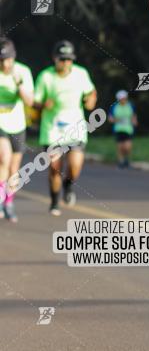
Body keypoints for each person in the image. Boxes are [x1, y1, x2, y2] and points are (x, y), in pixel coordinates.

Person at [33, 41, 97, 215]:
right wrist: (43, 104)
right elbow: (35, 102)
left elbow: (91, 92)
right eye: (62, 59)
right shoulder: (45, 76)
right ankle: (54, 202)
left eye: (69, 59)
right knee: (55, 168)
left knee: (75, 166)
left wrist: (91, 101)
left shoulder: (80, 73)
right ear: (55, 59)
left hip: (75, 128)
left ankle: (68, 186)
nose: (66, 63)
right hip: (52, 130)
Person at [0, 38, 34, 222]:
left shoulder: (23, 71)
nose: (6, 64)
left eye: (9, 59)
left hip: (17, 124)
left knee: (14, 169)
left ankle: (9, 202)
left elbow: (30, 102)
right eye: (2, 60)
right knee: (3, 157)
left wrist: (19, 84)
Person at [108, 90, 137, 167]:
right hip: (118, 129)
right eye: (121, 98)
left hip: (128, 129)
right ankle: (121, 161)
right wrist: (116, 120)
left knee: (127, 147)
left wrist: (134, 121)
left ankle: (126, 159)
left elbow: (133, 115)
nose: (123, 100)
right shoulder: (114, 107)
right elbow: (110, 118)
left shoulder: (130, 105)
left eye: (124, 98)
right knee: (120, 147)